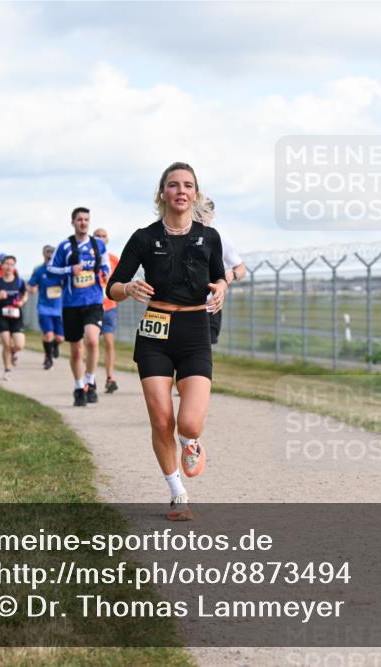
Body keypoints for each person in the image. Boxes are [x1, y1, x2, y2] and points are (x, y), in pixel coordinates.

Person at [107, 161, 227, 521]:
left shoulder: (210, 238)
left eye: (188, 185)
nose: (181, 191)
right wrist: (128, 288)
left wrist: (221, 290)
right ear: (163, 193)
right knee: (161, 421)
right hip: (155, 332)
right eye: (173, 185)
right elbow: (113, 286)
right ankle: (177, 495)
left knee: (188, 423)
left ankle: (191, 443)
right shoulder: (144, 237)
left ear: (196, 194)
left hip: (194, 333)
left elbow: (220, 277)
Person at [47, 207, 111, 407]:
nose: (83, 222)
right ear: (73, 222)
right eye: (79, 219)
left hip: (93, 301)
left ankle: (91, 381)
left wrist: (106, 273)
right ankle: (78, 385)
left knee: (92, 341)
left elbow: (105, 265)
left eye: (86, 219)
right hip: (71, 304)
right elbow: (50, 269)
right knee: (76, 350)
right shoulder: (65, 246)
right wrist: (68, 270)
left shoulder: (98, 245)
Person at [198, 198, 246, 345]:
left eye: (206, 212)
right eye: (198, 211)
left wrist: (232, 274)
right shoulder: (178, 235)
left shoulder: (219, 239)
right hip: (181, 306)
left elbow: (241, 267)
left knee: (200, 357)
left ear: (212, 215)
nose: (201, 216)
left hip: (210, 307)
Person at [0, 255, 28, 381]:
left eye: (11, 264)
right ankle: (7, 369)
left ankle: (13, 353)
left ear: (14, 267)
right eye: (6, 264)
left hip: (16, 316)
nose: (9, 266)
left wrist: (22, 302)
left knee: (19, 345)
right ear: (2, 266)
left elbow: (25, 295)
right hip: (1, 316)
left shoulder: (19, 282)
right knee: (6, 343)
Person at [27, 245, 66, 370]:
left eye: (52, 252)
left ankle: (54, 346)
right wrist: (31, 289)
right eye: (47, 252)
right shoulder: (39, 270)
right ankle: (48, 358)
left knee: (60, 338)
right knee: (48, 334)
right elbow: (31, 284)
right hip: (44, 307)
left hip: (59, 308)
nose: (50, 254)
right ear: (43, 254)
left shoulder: (60, 269)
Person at [92, 228, 121, 393]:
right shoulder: (87, 258)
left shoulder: (113, 259)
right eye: (97, 236)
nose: (101, 238)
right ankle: (91, 377)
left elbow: (120, 279)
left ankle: (110, 378)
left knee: (109, 343)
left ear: (107, 240)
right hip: (92, 306)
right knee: (93, 343)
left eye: (103, 236)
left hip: (109, 306)